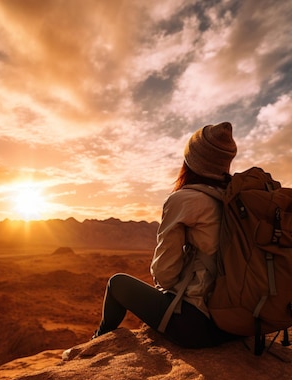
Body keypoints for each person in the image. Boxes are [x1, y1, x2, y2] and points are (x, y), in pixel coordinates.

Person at [92, 122, 239, 348]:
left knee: (117, 283)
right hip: (237, 325)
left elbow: (165, 274)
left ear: (191, 161)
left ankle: (96, 344)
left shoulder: (184, 199)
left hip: (198, 326)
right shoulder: (236, 199)